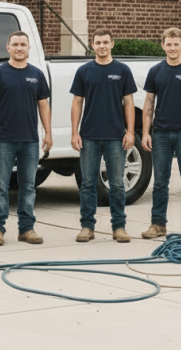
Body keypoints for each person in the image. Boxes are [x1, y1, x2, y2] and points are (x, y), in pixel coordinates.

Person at [0, 31, 52, 246]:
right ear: (8, 47)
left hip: (30, 140)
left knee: (28, 186)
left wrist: (48, 132)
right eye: (15, 44)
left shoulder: (37, 75)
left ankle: (26, 229)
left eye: (23, 44)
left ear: (29, 48)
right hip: (3, 139)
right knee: (0, 186)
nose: (19, 48)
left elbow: (43, 105)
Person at [70, 28, 137, 243]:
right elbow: (77, 102)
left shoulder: (122, 70)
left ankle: (119, 227)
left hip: (115, 136)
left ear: (112, 44)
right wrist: (74, 132)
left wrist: (130, 131)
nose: (102, 46)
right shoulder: (84, 71)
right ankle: (87, 227)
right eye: (98, 42)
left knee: (117, 184)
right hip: (89, 136)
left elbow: (129, 102)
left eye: (105, 42)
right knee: (88, 184)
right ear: (93, 45)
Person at [141, 28, 181, 238]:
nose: (172, 48)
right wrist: (145, 133)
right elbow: (149, 104)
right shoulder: (156, 71)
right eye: (168, 44)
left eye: (176, 44)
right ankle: (158, 224)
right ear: (163, 46)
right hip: (160, 133)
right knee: (160, 182)